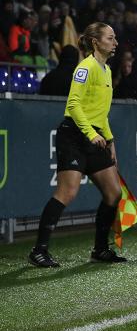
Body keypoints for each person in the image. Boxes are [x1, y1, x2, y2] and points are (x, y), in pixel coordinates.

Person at [28, 22, 127, 267]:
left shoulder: (106, 71)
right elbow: (73, 105)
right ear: (96, 42)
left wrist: (110, 140)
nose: (115, 43)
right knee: (67, 192)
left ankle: (100, 249)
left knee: (114, 193)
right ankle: (38, 250)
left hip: (95, 136)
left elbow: (101, 113)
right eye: (110, 38)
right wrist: (90, 134)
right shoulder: (85, 67)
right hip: (74, 135)